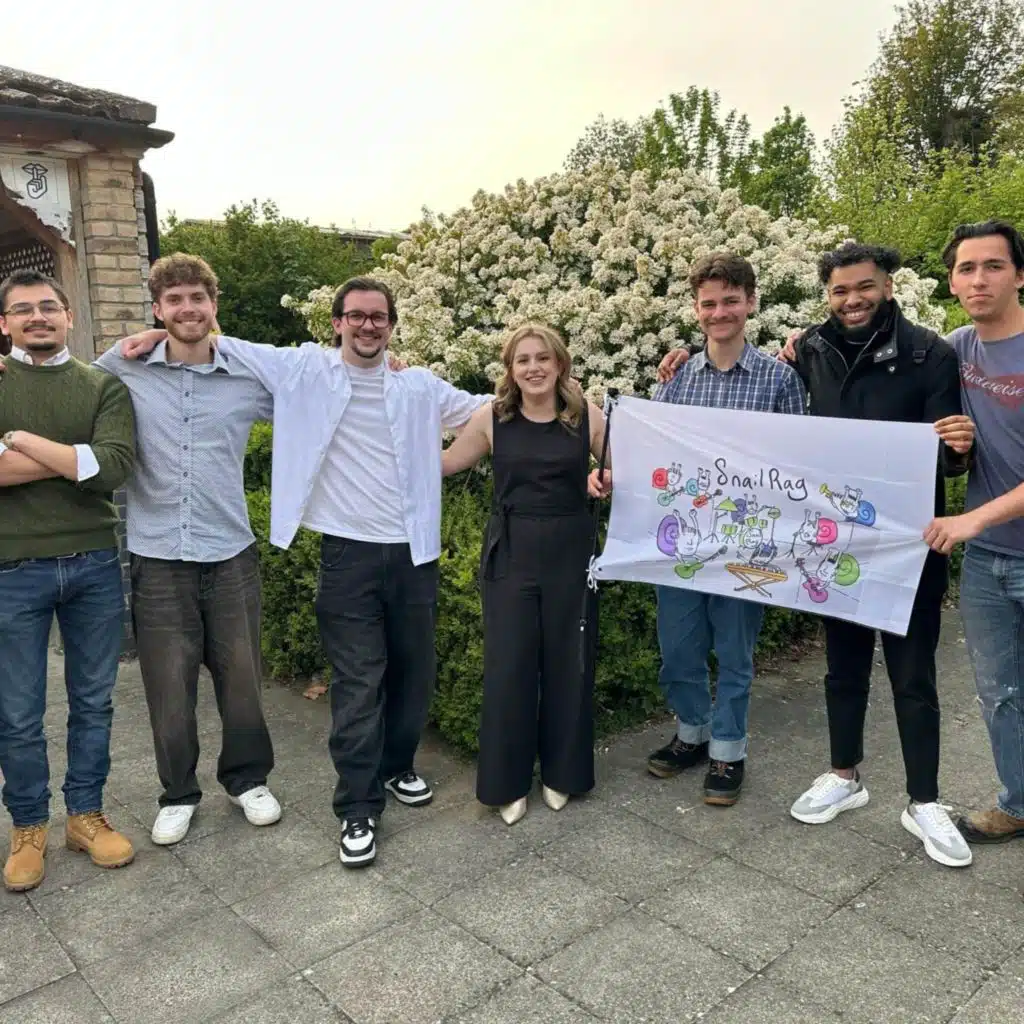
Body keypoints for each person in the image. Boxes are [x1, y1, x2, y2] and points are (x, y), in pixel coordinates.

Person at [124, 277, 490, 868]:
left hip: (414, 555)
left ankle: (396, 766)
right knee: (359, 683)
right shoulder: (304, 370)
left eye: (378, 317)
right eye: (356, 316)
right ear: (337, 323)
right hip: (347, 556)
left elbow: (490, 410)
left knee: (414, 675)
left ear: (391, 325)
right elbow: (214, 338)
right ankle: (357, 809)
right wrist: (152, 335)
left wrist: (554, 401)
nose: (367, 325)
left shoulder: (419, 386)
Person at [659, 242, 976, 865]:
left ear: (887, 286)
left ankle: (925, 801)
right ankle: (843, 775)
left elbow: (946, 456)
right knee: (843, 669)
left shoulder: (930, 354)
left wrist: (958, 449)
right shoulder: (810, 351)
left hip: (908, 542)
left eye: (864, 287)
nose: (853, 300)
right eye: (840, 291)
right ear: (827, 296)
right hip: (835, 544)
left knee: (914, 676)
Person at [594, 253, 808, 807]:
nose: (719, 313)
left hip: (747, 544)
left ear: (751, 303)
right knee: (679, 651)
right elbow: (656, 458)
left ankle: (728, 750)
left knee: (735, 653)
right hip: (683, 542)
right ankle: (692, 733)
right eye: (708, 303)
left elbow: (797, 466)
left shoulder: (780, 380)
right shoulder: (677, 379)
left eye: (731, 301)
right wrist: (615, 475)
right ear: (695, 309)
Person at [96, 254, 282, 846]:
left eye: (196, 297)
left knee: (242, 677)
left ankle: (248, 780)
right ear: (157, 308)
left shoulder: (247, 378)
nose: (187, 308)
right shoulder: (123, 368)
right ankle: (178, 793)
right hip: (157, 557)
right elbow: (73, 387)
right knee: (168, 687)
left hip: (230, 552)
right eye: (173, 300)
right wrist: (142, 339)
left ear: (213, 304)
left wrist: (388, 367)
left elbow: (315, 393)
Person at [0, 269, 136, 891]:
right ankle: (29, 826)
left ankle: (85, 815)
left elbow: (113, 468)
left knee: (93, 701)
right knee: (17, 711)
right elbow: (88, 464)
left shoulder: (103, 385)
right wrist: (72, 456)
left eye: (48, 307)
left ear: (69, 316)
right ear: (5, 322)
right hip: (12, 567)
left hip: (94, 564)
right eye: (23, 309)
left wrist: (21, 441)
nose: (38, 317)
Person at [441, 323, 605, 825]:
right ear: (510, 370)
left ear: (560, 363)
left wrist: (605, 478)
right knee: (509, 667)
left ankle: (562, 774)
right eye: (522, 360)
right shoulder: (492, 418)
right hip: (511, 554)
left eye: (542, 358)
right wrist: (397, 413)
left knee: (569, 664)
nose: (533, 368)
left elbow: (624, 469)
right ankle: (506, 783)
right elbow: (445, 463)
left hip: (572, 553)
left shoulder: (587, 415)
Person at [923, 220, 1024, 846]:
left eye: (993, 266)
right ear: (953, 282)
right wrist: (804, 344)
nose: (978, 279)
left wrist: (972, 518)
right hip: (988, 561)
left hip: (983, 532)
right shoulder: (957, 348)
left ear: (1020, 275)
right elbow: (890, 358)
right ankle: (1018, 803)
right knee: (1000, 693)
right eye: (966, 268)